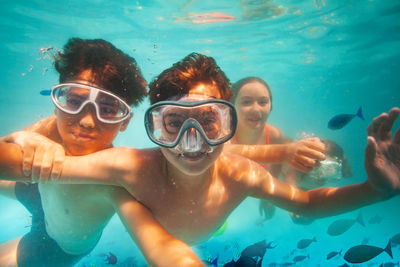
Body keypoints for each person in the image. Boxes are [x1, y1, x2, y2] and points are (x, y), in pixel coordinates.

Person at [1, 52, 400, 249]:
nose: (192, 144)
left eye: (208, 123)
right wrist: (24, 140)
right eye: (174, 125)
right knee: (24, 188)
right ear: (154, 128)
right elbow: (32, 167)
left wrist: (377, 190)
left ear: (229, 128)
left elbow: (307, 202)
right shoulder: (131, 168)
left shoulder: (240, 173)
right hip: (51, 206)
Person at [0, 38, 203, 267]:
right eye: (74, 102)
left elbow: (159, 244)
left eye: (107, 110)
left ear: (125, 121)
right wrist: (22, 137)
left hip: (54, 247)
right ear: (58, 103)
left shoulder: (113, 180)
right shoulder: (50, 128)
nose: (86, 121)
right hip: (36, 192)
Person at [224, 76, 326, 221]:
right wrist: (284, 152)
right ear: (232, 105)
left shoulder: (274, 135)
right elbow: (222, 153)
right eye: (246, 102)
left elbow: (274, 170)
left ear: (271, 106)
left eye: (263, 102)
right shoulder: (223, 133)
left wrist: (269, 198)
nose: (256, 109)